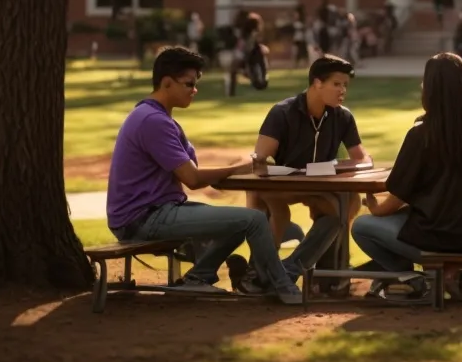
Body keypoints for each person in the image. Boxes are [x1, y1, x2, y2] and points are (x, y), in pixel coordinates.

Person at [105, 47, 303, 304]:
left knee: (238, 222)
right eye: (189, 83)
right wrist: (238, 168)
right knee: (254, 219)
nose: (194, 90)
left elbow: (193, 172)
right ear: (166, 82)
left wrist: (235, 170)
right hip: (143, 218)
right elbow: (193, 178)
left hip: (155, 211)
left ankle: (199, 277)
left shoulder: (158, 117)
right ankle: (282, 287)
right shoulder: (152, 120)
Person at [353, 52, 462, 303]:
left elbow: (396, 197)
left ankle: (410, 278)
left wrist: (375, 207)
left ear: (430, 89)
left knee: (362, 226)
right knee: (404, 220)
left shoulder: (421, 135)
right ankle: (445, 275)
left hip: (435, 237)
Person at [244, 55, 372, 291]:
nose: (342, 90)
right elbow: (260, 161)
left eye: (345, 85)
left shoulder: (342, 116)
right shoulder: (282, 113)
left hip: (316, 185)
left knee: (339, 214)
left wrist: (352, 165)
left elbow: (362, 157)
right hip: (279, 185)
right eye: (337, 84)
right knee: (278, 213)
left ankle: (292, 271)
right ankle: (258, 274)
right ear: (317, 82)